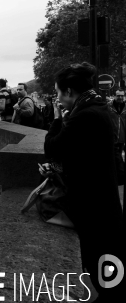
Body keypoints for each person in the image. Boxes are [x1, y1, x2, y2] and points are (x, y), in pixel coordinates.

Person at [44, 62, 125, 300]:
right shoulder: (96, 107)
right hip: (103, 200)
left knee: (103, 267)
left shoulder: (86, 115)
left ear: (69, 91)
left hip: (95, 206)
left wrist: (57, 119)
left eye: (58, 92)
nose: (58, 97)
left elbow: (53, 148)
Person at [108, 89, 126, 186]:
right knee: (114, 159)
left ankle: (119, 177)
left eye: (121, 96)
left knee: (120, 158)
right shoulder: (109, 107)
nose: (120, 97)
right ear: (114, 96)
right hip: (112, 138)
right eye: (118, 95)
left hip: (122, 138)